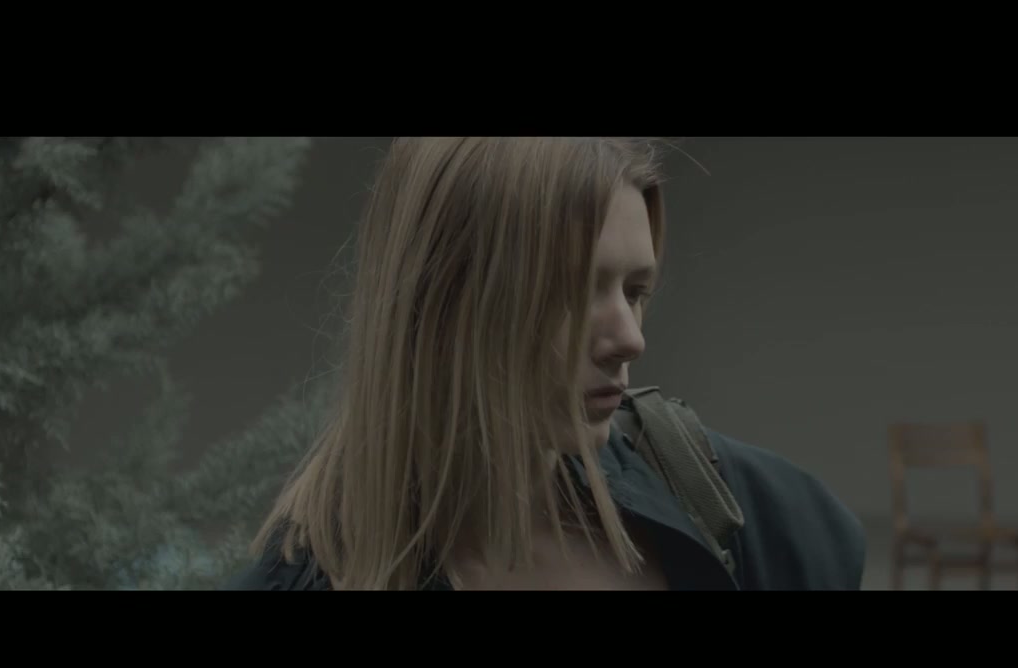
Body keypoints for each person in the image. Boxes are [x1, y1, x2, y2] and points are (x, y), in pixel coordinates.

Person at [226, 137, 865, 591]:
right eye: (570, 291)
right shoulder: (310, 578)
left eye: (635, 292)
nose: (629, 339)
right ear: (443, 306)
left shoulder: (743, 512)